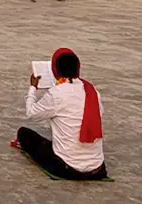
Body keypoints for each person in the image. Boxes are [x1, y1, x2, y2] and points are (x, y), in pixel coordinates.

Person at [12, 48, 107, 181]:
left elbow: (31, 113)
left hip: (67, 169)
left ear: (56, 71)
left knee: (24, 134)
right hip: (98, 168)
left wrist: (33, 88)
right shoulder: (93, 92)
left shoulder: (56, 93)